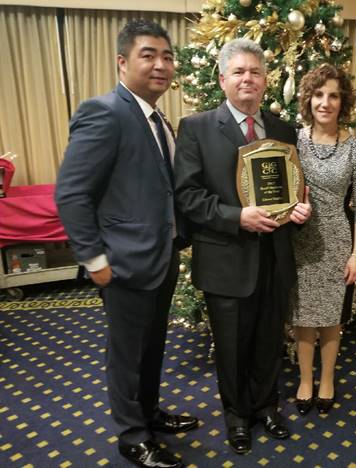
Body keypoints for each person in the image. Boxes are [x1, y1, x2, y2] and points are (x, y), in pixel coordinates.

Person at [55, 19, 197, 468]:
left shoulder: (156, 117)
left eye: (168, 57)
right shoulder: (105, 111)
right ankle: (133, 437)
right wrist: (96, 260)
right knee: (127, 353)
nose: (161, 65)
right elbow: (72, 193)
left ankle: (148, 414)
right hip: (122, 262)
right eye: (148, 55)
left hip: (160, 255)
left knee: (151, 347)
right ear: (122, 62)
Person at [174, 38, 312, 455]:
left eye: (254, 71)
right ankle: (237, 416)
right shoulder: (196, 128)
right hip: (226, 259)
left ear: (266, 80)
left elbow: (293, 189)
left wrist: (299, 209)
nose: (247, 78)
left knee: (270, 340)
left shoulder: (284, 130)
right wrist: (238, 217)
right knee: (232, 346)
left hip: (275, 256)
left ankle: (267, 405)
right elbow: (188, 196)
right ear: (222, 79)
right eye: (238, 71)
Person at [290, 64, 356, 416]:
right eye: (319, 95)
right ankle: (305, 379)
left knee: (331, 319)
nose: (325, 102)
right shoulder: (293, 141)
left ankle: (327, 378)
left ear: (343, 101)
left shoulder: (355, 147)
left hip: (338, 239)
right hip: (298, 239)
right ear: (309, 99)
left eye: (333, 95)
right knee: (303, 317)